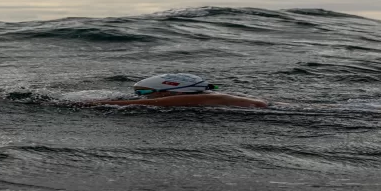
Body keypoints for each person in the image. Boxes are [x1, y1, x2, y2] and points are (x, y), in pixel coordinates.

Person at [81, 73, 268, 108]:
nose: (138, 96)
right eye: (137, 92)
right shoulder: (208, 96)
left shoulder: (195, 99)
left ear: (168, 92)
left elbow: (141, 104)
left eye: (143, 92)